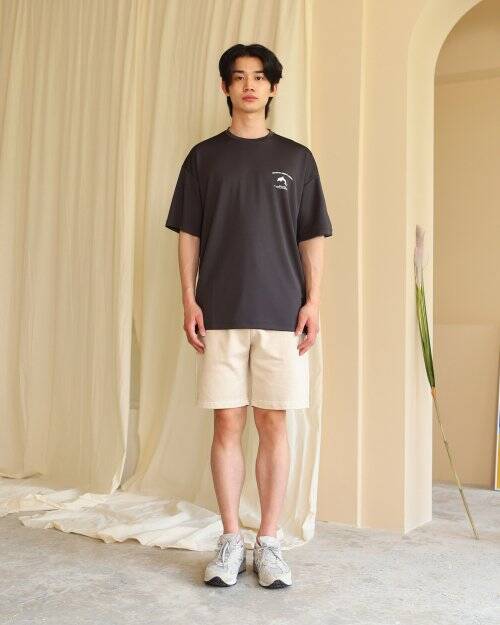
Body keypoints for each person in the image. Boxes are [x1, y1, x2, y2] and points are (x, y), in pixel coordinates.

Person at [165, 43, 333, 589]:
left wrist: (312, 302)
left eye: (259, 78)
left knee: (274, 423)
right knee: (227, 423)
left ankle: (270, 542)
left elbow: (312, 236)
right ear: (225, 87)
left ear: (273, 87)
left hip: (282, 312)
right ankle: (231, 540)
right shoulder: (203, 158)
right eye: (238, 78)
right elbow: (189, 233)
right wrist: (189, 299)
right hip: (220, 309)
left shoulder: (297, 159)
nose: (249, 86)